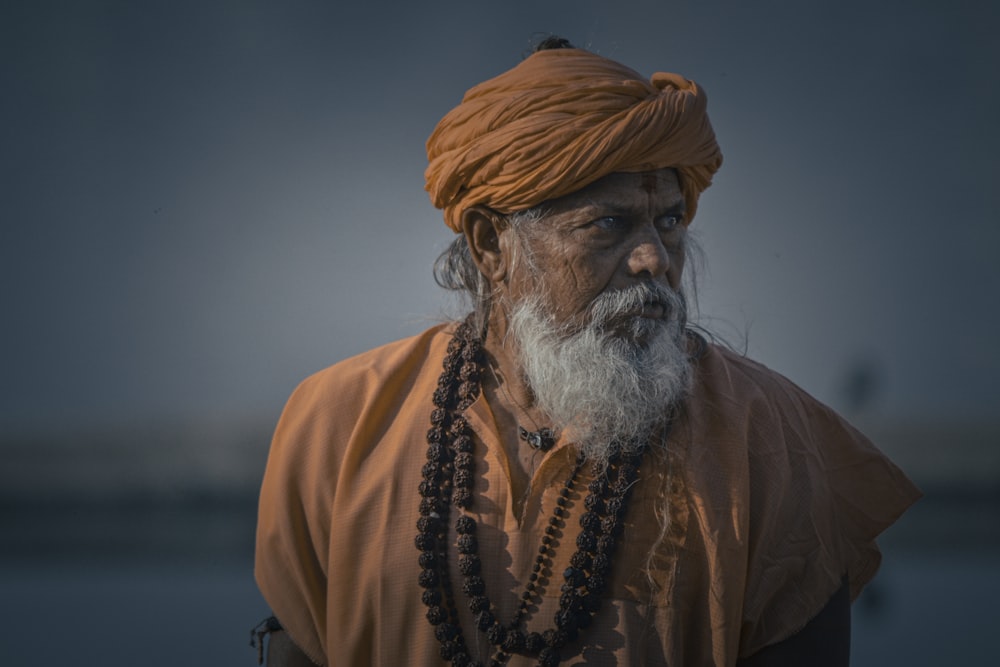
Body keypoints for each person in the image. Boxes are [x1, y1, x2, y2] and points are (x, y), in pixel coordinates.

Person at [253, 37, 920, 667]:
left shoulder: (772, 438)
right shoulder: (336, 422)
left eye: (668, 220)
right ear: (491, 244)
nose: (654, 257)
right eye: (610, 224)